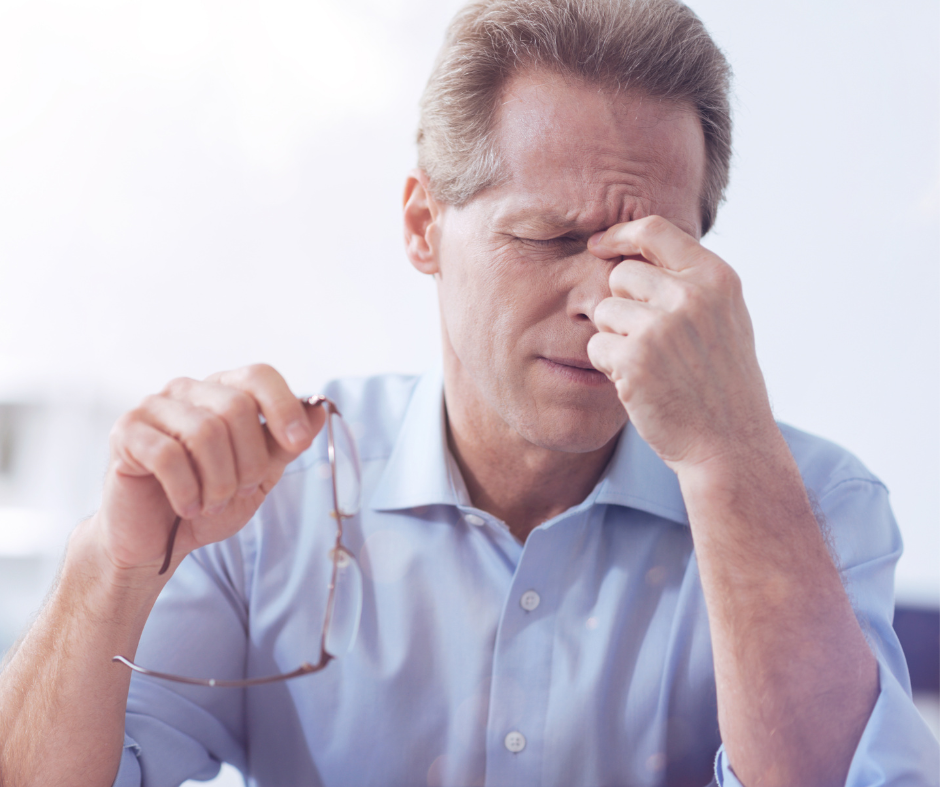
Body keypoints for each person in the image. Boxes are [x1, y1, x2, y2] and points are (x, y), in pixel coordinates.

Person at [1, 0, 937, 785]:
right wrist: (109, 568)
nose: (601, 303)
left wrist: (729, 458)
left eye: (649, 253)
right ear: (423, 227)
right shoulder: (262, 502)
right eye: (547, 239)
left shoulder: (815, 508)